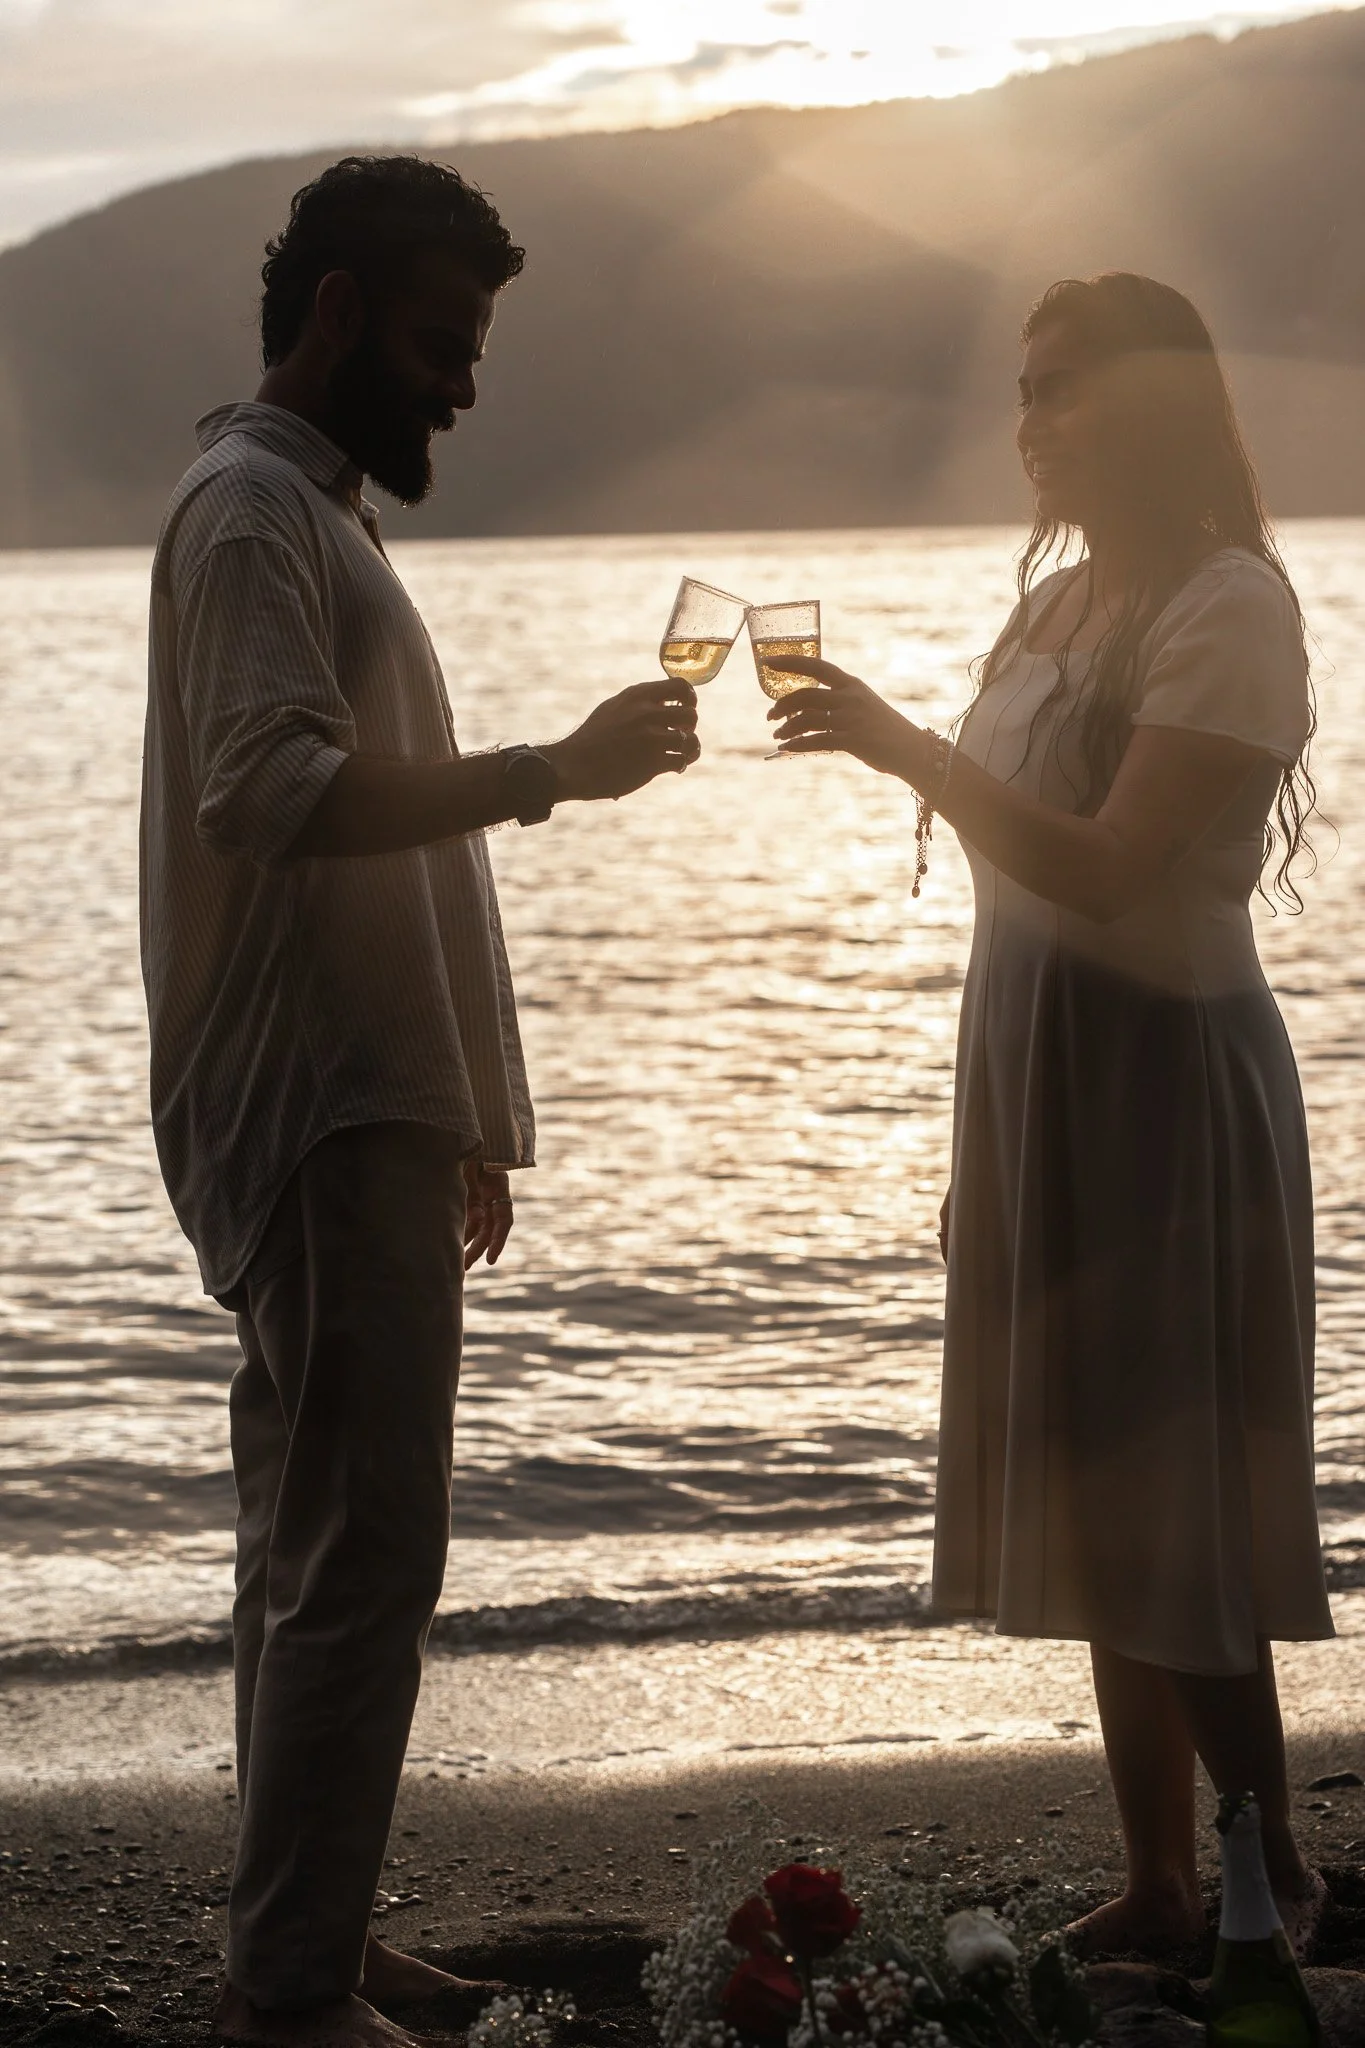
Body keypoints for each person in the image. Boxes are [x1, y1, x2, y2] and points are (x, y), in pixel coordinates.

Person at [139, 155, 698, 2048]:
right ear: (342, 311)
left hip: (365, 1101)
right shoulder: (248, 519)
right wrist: (550, 767)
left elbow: (353, 843)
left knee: (308, 1546)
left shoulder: (315, 515)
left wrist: (455, 1105)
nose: (467, 386)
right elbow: (273, 794)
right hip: (310, 1105)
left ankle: (305, 1928)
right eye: (447, 342)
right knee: (367, 1554)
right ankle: (288, 1993)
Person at [770, 272, 1334, 1959]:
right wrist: (980, 1150)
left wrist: (899, 749)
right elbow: (1010, 902)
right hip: (1042, 1079)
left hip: (1168, 1087)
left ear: (1155, 400)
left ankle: (1272, 1872)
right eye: (1022, 391)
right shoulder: (1053, 612)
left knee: (1179, 1505)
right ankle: (1162, 1883)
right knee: (1100, 1496)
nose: (1033, 422)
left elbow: (1102, 863)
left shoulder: (1231, 607)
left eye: (1066, 386)